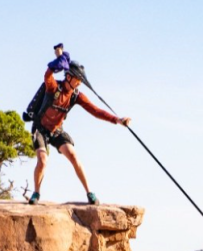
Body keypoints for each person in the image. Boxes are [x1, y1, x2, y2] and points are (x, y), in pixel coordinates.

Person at [29, 46, 131, 206]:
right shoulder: (54, 87)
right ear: (68, 77)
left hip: (56, 130)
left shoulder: (76, 96)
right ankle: (36, 193)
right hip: (40, 128)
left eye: (80, 81)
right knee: (42, 160)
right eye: (77, 79)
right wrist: (56, 64)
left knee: (74, 155)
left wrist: (117, 120)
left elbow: (95, 111)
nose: (78, 83)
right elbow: (47, 75)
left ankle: (90, 193)